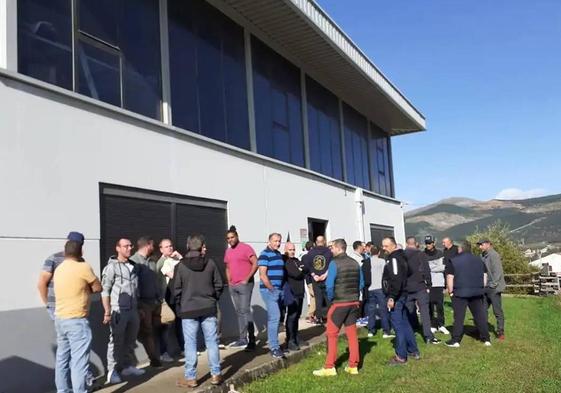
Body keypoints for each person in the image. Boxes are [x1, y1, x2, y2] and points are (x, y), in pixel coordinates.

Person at [174, 235, 224, 388]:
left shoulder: (180, 266)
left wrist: (181, 304)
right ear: (201, 246)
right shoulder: (211, 264)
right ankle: (216, 374)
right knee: (212, 342)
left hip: (188, 310)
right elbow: (219, 285)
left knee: (190, 344)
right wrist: (212, 299)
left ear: (188, 246)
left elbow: (176, 290)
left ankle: (191, 378)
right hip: (208, 308)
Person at [53, 240, 101, 393]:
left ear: (65, 252)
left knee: (62, 360)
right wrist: (86, 289)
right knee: (79, 362)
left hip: (60, 319)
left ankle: (62, 391)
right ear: (81, 252)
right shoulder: (83, 267)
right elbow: (97, 287)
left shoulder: (59, 269)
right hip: (77, 320)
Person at [313, 239, 363, 377]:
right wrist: (353, 295)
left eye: (332, 247)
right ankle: (353, 366)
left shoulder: (334, 263)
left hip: (339, 303)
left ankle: (329, 367)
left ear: (338, 248)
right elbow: (361, 283)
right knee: (352, 335)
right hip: (353, 302)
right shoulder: (355, 263)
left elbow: (329, 285)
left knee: (332, 334)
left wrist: (331, 299)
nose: (330, 250)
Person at [102, 238, 145, 384]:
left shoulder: (133, 266)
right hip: (118, 310)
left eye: (130, 246)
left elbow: (135, 289)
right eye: (125, 246)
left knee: (130, 340)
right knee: (115, 341)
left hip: (133, 310)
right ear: (118, 248)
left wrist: (139, 308)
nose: (129, 248)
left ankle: (127, 366)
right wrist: (107, 311)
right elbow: (105, 291)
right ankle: (111, 372)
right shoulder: (111, 267)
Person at [445, 240, 491, 348]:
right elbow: (485, 276)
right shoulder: (479, 260)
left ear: (460, 248)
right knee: (480, 316)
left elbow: (450, 277)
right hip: (477, 292)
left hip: (460, 292)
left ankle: (456, 340)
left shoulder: (454, 261)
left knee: (459, 317)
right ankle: (486, 339)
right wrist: (481, 287)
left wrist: (450, 291)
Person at [382, 237, 420, 366]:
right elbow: (409, 272)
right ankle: (413, 350)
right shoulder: (402, 257)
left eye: (386, 246)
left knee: (397, 326)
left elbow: (396, 278)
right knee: (405, 323)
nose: (384, 248)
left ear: (393, 245)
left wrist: (392, 296)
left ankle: (401, 356)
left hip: (397, 296)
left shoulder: (394, 258)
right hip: (402, 294)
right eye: (383, 246)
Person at [130, 236, 163, 368]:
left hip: (155, 302)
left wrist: (160, 297)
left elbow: (156, 281)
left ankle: (157, 355)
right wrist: (138, 306)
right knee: (147, 331)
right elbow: (133, 284)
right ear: (147, 245)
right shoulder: (134, 262)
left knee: (157, 329)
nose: (153, 248)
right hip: (144, 303)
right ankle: (154, 359)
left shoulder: (152, 261)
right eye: (152, 245)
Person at [224, 226, 258, 351]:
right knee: (239, 312)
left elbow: (256, 263)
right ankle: (242, 339)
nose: (230, 240)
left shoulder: (246, 248)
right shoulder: (228, 251)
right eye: (228, 238)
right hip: (233, 285)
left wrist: (247, 278)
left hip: (245, 285)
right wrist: (229, 282)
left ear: (237, 236)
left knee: (245, 310)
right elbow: (227, 268)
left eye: (232, 237)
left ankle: (252, 341)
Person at [38, 231, 86, 320]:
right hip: (57, 306)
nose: (74, 246)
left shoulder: (81, 261)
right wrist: (48, 304)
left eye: (77, 244)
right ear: (66, 242)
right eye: (72, 243)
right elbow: (42, 283)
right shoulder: (54, 258)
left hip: (74, 307)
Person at [404, 237, 440, 344]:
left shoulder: (402, 255)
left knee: (409, 311)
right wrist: (429, 284)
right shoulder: (421, 254)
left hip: (407, 287)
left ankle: (412, 331)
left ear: (406, 243)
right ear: (416, 244)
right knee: (424, 312)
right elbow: (426, 270)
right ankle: (428, 336)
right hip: (420, 286)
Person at [258, 233, 286, 359]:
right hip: (269, 291)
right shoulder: (264, 254)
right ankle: (274, 348)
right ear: (269, 241)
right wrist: (272, 289)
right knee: (275, 317)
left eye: (279, 241)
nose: (278, 243)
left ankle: (275, 345)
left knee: (276, 318)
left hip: (278, 290)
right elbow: (262, 275)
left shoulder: (278, 254)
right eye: (275, 241)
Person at [157, 238, 183, 362]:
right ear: (161, 249)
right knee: (166, 326)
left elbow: (187, 272)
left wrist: (180, 258)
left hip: (178, 295)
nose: (170, 248)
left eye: (171, 246)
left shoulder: (175, 260)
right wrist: (180, 262)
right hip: (167, 296)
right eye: (167, 246)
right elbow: (175, 276)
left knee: (180, 322)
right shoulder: (162, 262)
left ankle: (183, 348)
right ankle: (163, 352)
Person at [478, 239, 506, 340]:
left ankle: (500, 331)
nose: (480, 247)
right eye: (479, 245)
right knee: (482, 310)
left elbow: (498, 272)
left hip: (494, 288)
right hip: (485, 287)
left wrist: (492, 285)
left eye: (481, 245)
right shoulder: (482, 256)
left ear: (488, 244)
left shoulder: (494, 255)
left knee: (497, 311)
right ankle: (483, 331)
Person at [363, 246, 393, 338]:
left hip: (370, 288)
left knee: (371, 310)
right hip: (380, 288)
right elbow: (386, 274)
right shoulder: (382, 261)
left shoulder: (366, 262)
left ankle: (371, 330)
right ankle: (386, 331)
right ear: (379, 253)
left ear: (370, 252)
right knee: (383, 310)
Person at [302, 236, 332, 324]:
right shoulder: (329, 252)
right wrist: (325, 274)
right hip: (326, 278)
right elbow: (332, 265)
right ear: (324, 242)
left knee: (318, 299)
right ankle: (330, 317)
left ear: (316, 242)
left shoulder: (310, 253)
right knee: (328, 298)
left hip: (315, 279)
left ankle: (319, 318)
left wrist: (314, 274)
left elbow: (307, 266)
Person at [283, 242, 307, 351]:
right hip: (292, 293)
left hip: (300, 292)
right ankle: (290, 340)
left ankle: (296, 337)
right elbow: (296, 274)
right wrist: (301, 270)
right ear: (286, 250)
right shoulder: (286, 262)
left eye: (293, 249)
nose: (292, 251)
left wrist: (301, 270)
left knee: (297, 316)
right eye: (290, 249)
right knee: (292, 316)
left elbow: (306, 269)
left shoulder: (297, 260)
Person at [424, 235, 449, 335]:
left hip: (439, 283)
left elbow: (442, 267)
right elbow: (423, 269)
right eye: (426, 243)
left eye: (429, 243)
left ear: (433, 243)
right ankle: (433, 325)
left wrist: (430, 268)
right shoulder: (423, 254)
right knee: (430, 305)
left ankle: (441, 325)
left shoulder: (440, 253)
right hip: (428, 284)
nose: (428, 245)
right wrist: (434, 266)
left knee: (439, 305)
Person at [301, 241, 316, 324]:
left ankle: (311, 315)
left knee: (312, 297)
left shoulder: (304, 256)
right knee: (314, 297)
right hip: (311, 280)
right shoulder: (309, 257)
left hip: (308, 280)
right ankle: (311, 315)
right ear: (311, 248)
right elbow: (308, 268)